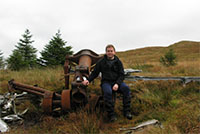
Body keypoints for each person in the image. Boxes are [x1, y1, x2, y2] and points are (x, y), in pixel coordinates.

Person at [82, 44, 132, 122]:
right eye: (108, 51)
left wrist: (117, 84)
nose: (110, 53)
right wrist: (88, 80)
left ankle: (127, 112)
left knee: (126, 89)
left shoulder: (118, 62)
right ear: (106, 52)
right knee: (107, 92)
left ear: (114, 52)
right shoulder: (101, 62)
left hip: (116, 82)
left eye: (111, 51)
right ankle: (111, 115)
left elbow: (121, 75)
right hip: (106, 82)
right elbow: (95, 73)